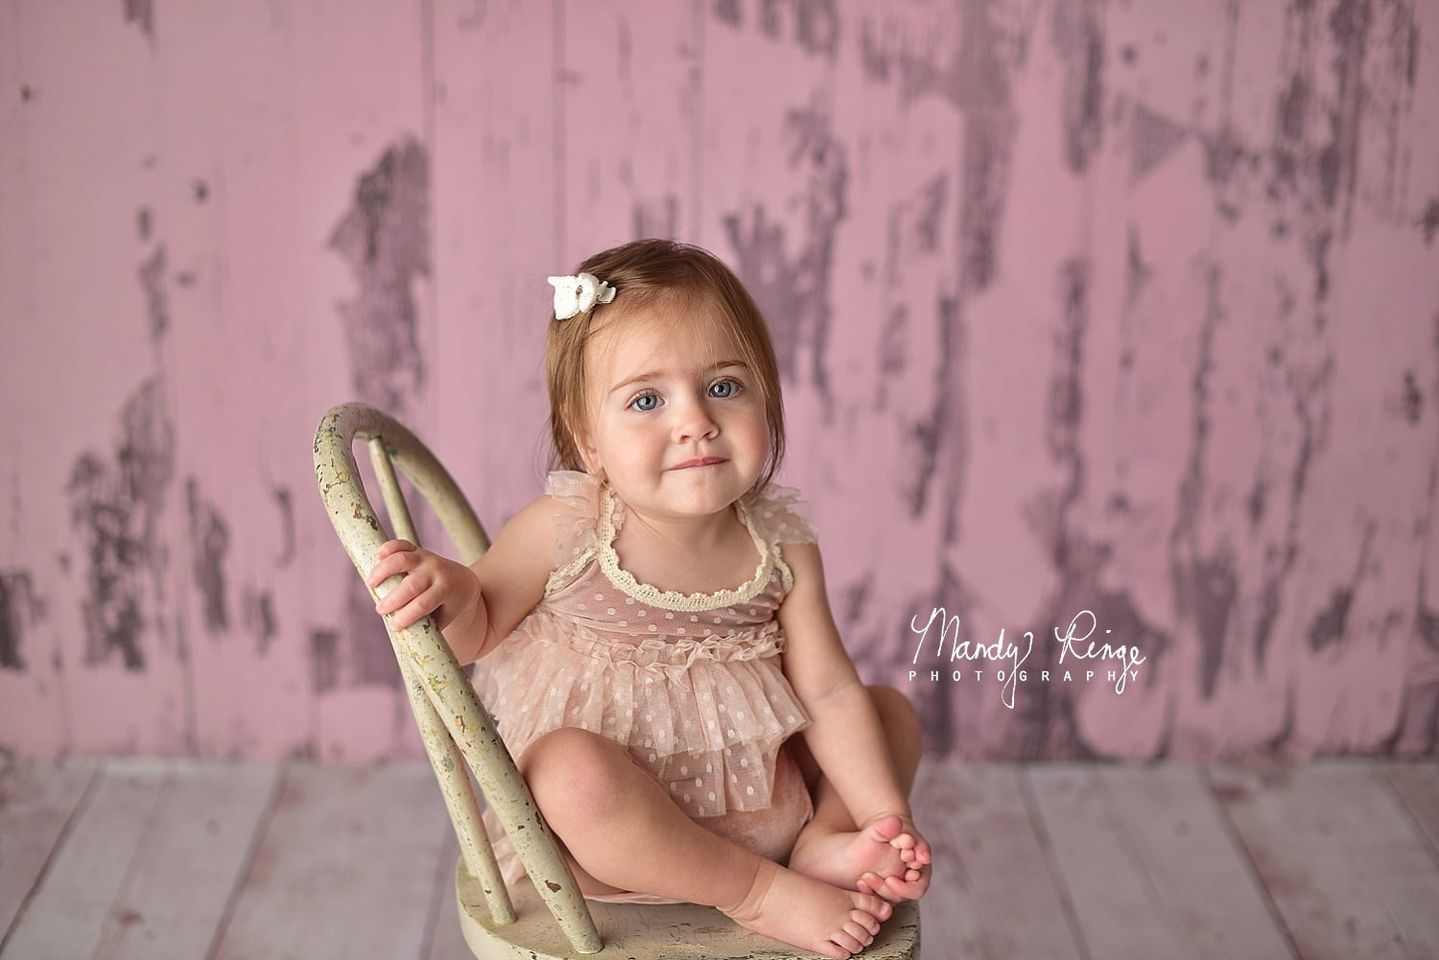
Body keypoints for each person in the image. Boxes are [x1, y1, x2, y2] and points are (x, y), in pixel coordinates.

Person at [364, 238, 931, 959]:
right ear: (588, 440)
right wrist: (451, 590)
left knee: (885, 713)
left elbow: (823, 689)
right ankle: (754, 892)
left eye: (724, 386)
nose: (693, 420)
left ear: (768, 396)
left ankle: (826, 841)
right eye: (645, 400)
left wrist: (884, 817)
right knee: (565, 769)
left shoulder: (781, 543)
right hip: (616, 843)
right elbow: (478, 628)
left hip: (768, 803)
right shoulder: (568, 528)